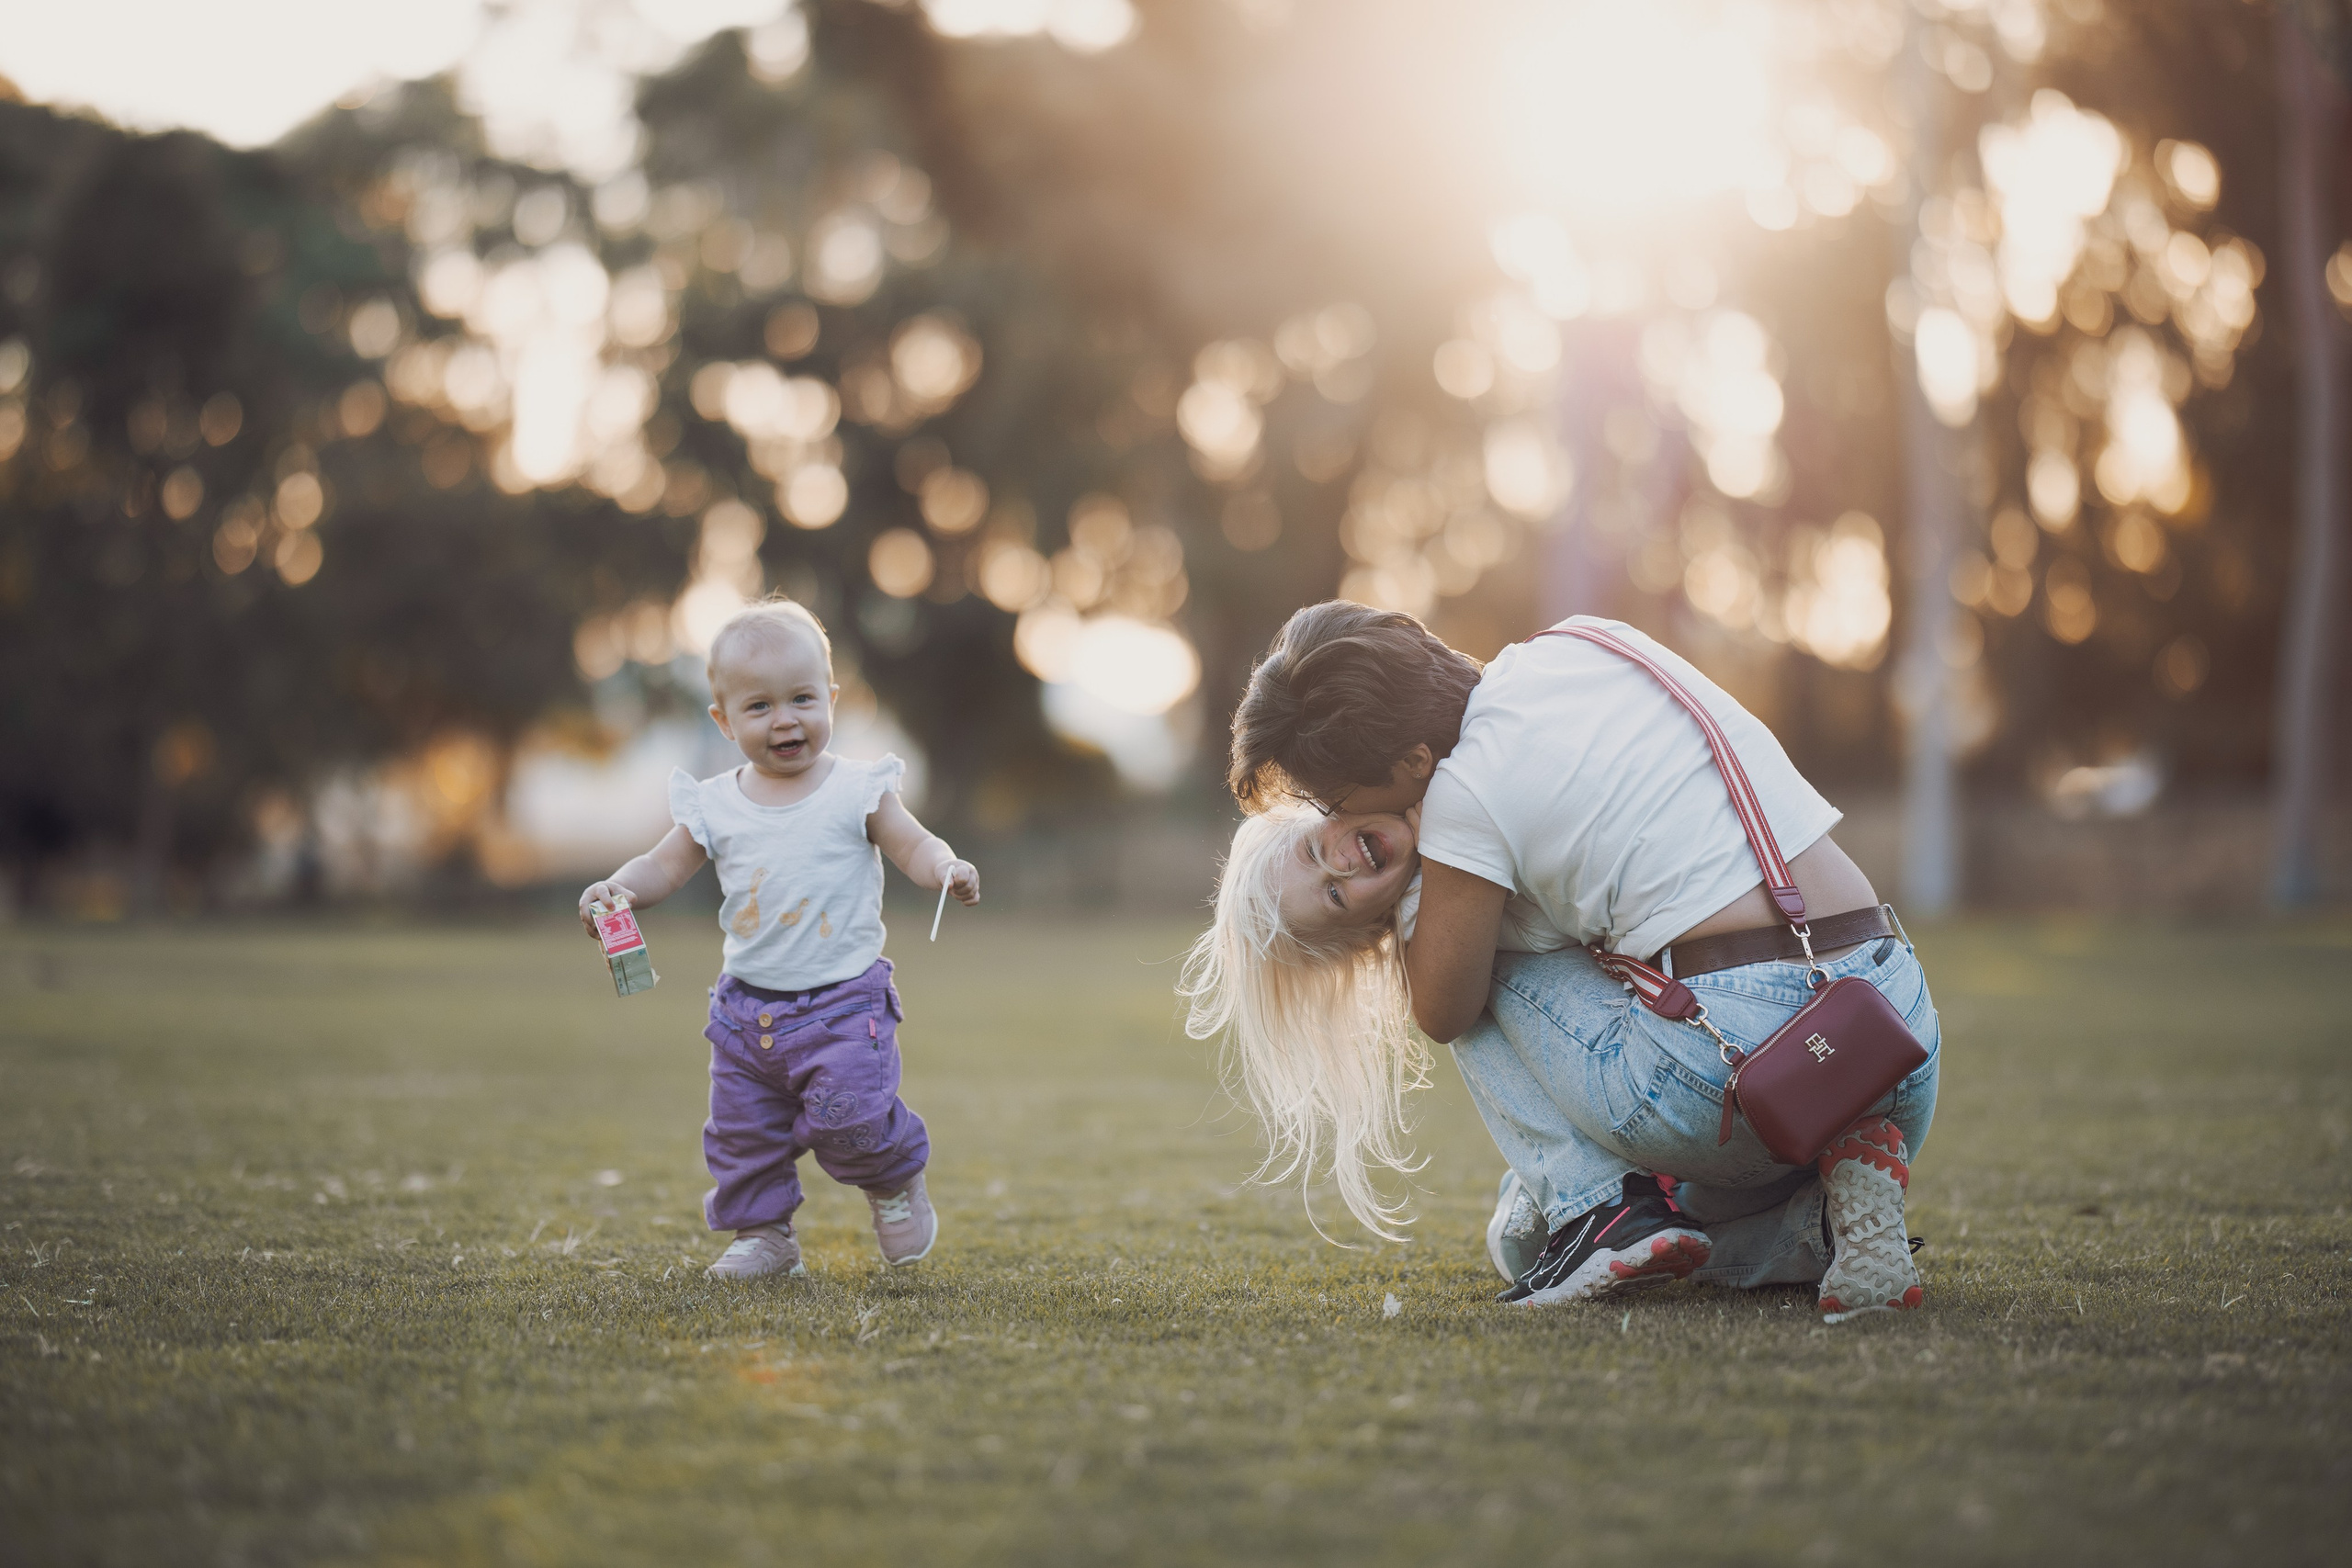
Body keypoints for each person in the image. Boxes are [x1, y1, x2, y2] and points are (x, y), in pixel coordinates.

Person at [1184, 602, 1939, 1323]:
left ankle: (1596, 1210)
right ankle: (1828, 1225)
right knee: (1652, 1217)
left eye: (1334, 803)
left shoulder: (1462, 797)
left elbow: (1444, 1011)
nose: (1338, 827)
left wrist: (1410, 926)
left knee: (1445, 991)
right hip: (1889, 1026)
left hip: (1745, 1064)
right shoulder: (1586, 641)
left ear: (1413, 762)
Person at [579, 599, 979, 1280]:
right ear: (724, 720)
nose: (785, 719)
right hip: (745, 1012)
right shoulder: (714, 803)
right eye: (759, 707)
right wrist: (617, 888)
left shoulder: (858, 788)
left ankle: (891, 1175)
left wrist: (944, 867)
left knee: (849, 1118)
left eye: (801, 699)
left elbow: (911, 842)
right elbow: (663, 865)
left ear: (831, 697)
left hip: (845, 1005)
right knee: (742, 1136)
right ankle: (765, 1236)